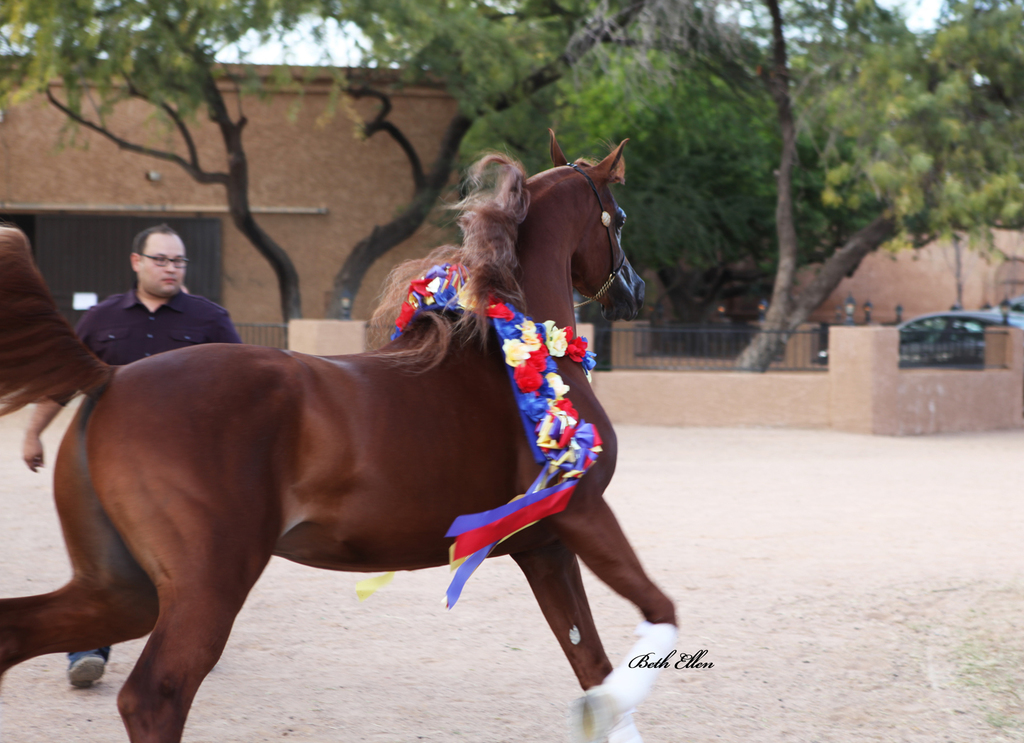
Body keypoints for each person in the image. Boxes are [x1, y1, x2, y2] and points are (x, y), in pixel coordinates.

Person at [22, 223, 241, 688]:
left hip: (186, 468)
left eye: (179, 261)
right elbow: (64, 381)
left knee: (189, 559)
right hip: (109, 463)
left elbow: (243, 392)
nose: (171, 268)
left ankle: (194, 638)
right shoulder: (101, 319)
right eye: (161, 259)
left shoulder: (209, 321)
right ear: (136, 262)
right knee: (104, 554)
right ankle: (87, 647)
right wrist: (33, 434)